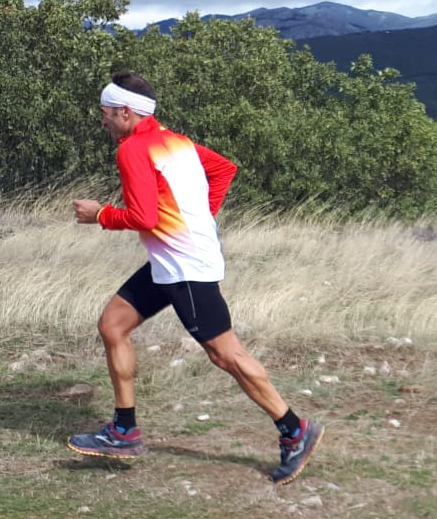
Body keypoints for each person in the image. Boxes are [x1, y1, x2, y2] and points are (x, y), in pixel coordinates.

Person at [68, 72, 323, 484]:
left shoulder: (133, 149)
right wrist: (198, 219)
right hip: (171, 263)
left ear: (126, 113)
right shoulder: (176, 142)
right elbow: (224, 169)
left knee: (226, 355)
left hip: (185, 270)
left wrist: (98, 214)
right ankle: (123, 431)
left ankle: (295, 429)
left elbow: (143, 217)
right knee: (112, 325)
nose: (103, 121)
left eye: (106, 113)